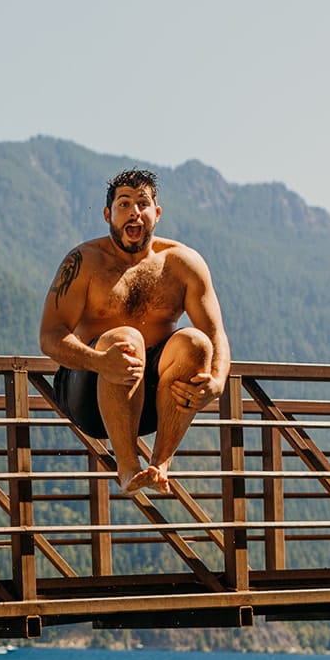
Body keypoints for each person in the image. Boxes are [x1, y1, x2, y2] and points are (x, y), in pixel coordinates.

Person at [39, 167, 230, 496]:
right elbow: (50, 336)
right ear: (107, 214)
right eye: (123, 204)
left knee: (196, 344)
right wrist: (99, 361)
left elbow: (216, 336)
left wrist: (217, 382)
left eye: (142, 203)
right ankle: (127, 467)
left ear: (156, 213)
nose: (134, 212)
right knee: (126, 339)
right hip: (87, 390)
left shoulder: (183, 264)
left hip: (152, 403)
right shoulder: (84, 261)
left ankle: (160, 465)